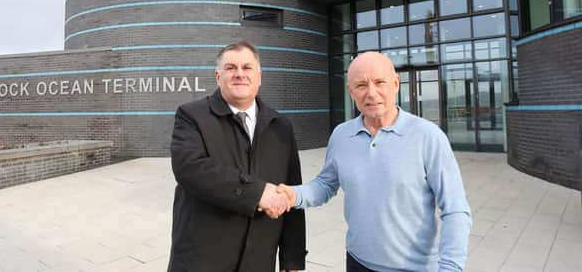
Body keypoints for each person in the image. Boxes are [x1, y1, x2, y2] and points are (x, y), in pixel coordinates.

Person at [279, 51, 471, 272]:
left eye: (379, 82)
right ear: (351, 92)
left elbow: (455, 209)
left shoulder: (428, 136)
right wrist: (293, 195)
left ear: (396, 84)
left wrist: (450, 268)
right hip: (357, 263)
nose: (371, 93)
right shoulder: (341, 135)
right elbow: (326, 185)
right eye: (361, 85)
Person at [167, 41, 306, 272]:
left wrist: (292, 258)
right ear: (217, 76)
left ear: (259, 76)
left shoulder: (281, 126)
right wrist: (257, 193)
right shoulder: (191, 116)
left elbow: (291, 190)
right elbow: (189, 169)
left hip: (259, 259)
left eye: (247, 68)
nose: (239, 74)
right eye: (231, 68)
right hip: (202, 260)